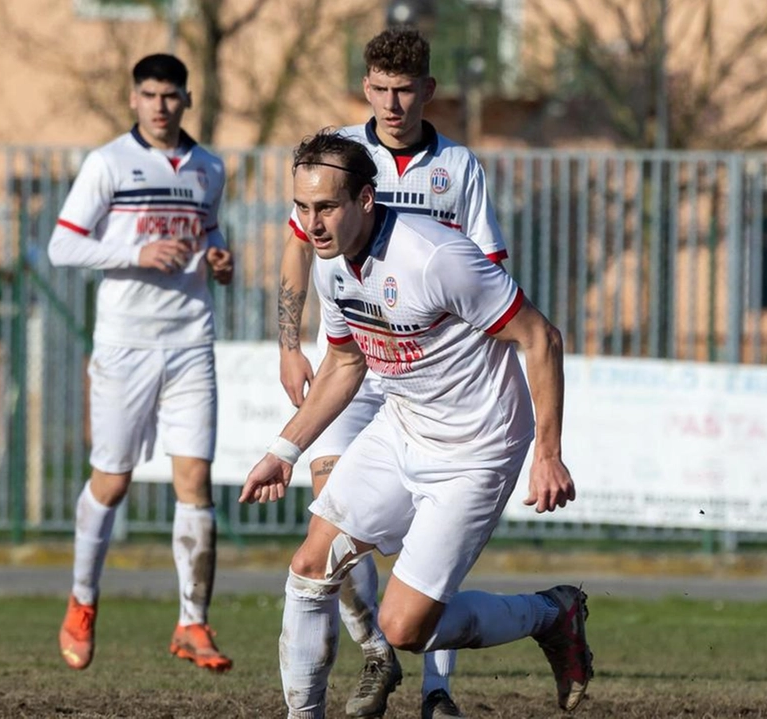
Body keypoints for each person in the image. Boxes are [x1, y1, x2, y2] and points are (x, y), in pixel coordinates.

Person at [243, 130, 593, 717]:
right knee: (310, 568)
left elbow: (540, 336)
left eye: (326, 207)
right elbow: (345, 362)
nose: (312, 223)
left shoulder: (435, 257)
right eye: (302, 208)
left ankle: (552, 615)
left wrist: (549, 453)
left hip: (475, 449)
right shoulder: (331, 263)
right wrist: (284, 450)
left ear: (365, 201)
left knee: (403, 627)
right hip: (401, 425)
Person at [275, 27, 507, 719]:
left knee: (419, 542)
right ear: (364, 87)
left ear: (427, 89)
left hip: (428, 370)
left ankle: (437, 687)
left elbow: (485, 267)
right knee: (330, 520)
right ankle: (375, 647)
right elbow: (298, 250)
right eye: (379, 87)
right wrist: (290, 344)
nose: (392, 101)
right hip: (353, 359)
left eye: (405, 88)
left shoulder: (458, 167)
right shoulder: (339, 154)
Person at [47, 53, 235, 673]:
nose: (160, 106)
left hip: (190, 340)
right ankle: (81, 601)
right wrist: (136, 249)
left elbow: (208, 236)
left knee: (195, 482)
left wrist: (218, 259)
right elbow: (63, 243)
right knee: (113, 481)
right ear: (134, 99)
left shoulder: (209, 167)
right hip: (125, 343)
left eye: (171, 95)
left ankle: (193, 622)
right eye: (149, 95)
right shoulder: (107, 163)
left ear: (186, 99)